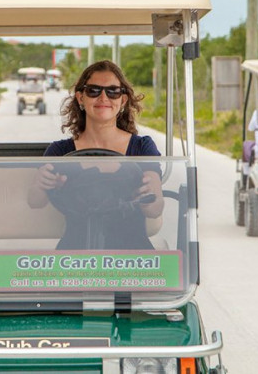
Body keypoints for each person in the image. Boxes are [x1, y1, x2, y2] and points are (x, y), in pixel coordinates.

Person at [28, 60, 164, 250]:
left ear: (123, 100)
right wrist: (41, 183)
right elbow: (35, 201)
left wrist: (146, 195)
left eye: (113, 91)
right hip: (77, 253)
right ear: (80, 98)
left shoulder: (142, 147)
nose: (103, 97)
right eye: (93, 91)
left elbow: (154, 209)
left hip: (132, 254)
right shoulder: (59, 152)